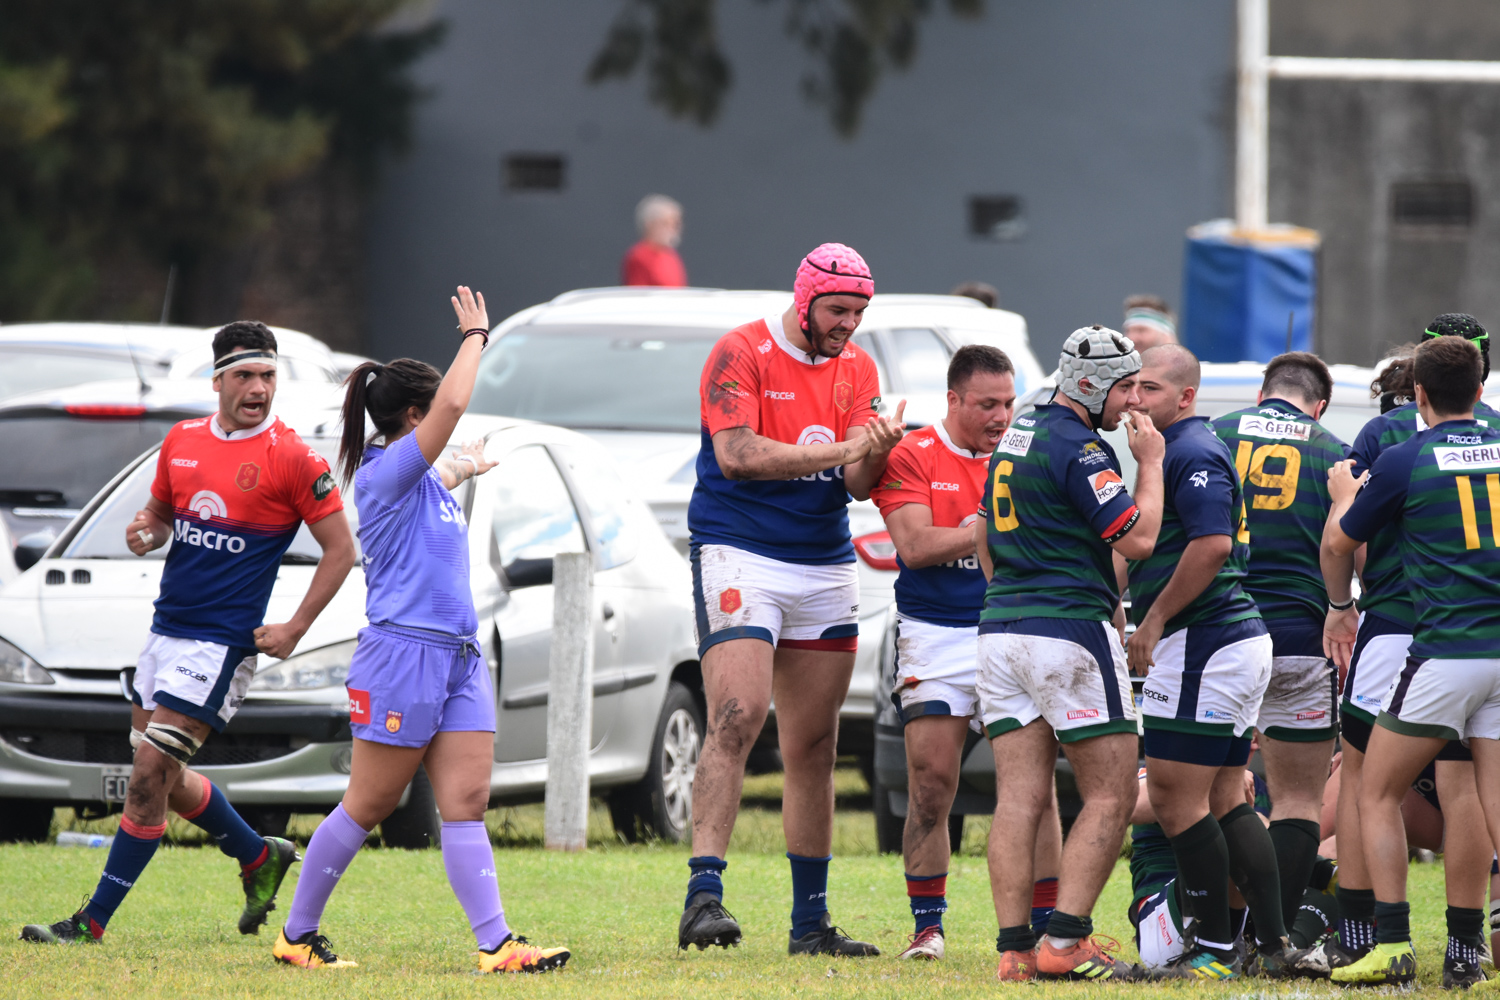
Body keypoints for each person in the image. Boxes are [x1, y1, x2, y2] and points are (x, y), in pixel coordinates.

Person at [21, 322, 357, 944]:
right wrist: (147, 529)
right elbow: (158, 512)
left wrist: (295, 626)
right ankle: (259, 855)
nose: (258, 388)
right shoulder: (180, 441)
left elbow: (341, 550)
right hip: (165, 632)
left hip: (222, 644)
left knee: (147, 777)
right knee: (166, 782)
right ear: (219, 381)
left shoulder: (293, 457)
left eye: (268, 376)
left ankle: (89, 924)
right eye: (245, 376)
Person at [268, 288, 569, 973]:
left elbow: (453, 455)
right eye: (429, 416)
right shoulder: (385, 472)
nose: (443, 425)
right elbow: (455, 407)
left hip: (458, 657)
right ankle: (296, 935)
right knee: (370, 802)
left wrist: (471, 460)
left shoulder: (424, 477)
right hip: (402, 656)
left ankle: (497, 947)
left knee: (466, 801)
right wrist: (476, 337)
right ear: (412, 416)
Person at [678, 244, 905, 957]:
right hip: (740, 549)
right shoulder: (739, 351)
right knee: (738, 715)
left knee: (816, 744)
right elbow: (738, 457)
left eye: (860, 313)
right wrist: (845, 449)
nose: (848, 325)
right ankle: (703, 897)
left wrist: (877, 449)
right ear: (804, 300)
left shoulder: (859, 367)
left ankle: (811, 924)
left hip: (823, 561)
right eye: (839, 310)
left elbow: (863, 485)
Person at [975, 325, 1165, 981]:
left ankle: (1013, 951)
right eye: (1127, 386)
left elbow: (983, 535)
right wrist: (1152, 464)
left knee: (1018, 799)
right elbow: (1135, 539)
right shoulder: (1082, 449)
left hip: (1000, 632)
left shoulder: (1018, 435)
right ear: (1092, 384)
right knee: (1111, 794)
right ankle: (1065, 941)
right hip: (1066, 633)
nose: (1133, 399)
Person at [1315, 316, 1499, 986]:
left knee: (1372, 785)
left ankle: (1381, 937)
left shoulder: (1396, 446)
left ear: (1416, 389)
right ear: (1481, 383)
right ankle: (1467, 946)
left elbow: (1341, 543)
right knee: (1477, 795)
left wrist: (1342, 505)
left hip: (1420, 636)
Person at [871, 344, 1063, 960]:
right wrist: (993, 529)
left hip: (1012, 627)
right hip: (934, 632)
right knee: (930, 783)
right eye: (987, 404)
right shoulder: (912, 453)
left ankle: (1042, 924)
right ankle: (928, 928)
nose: (1002, 416)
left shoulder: (1026, 450)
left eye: (1009, 402)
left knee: (1038, 788)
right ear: (953, 400)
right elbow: (916, 544)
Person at [1127, 343, 1292, 979]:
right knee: (1225, 795)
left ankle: (1216, 948)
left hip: (1206, 639)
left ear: (1185, 398)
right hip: (1226, 640)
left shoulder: (1191, 450)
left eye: (1150, 389)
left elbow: (1213, 543)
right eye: (1132, 387)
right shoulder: (1170, 450)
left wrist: (1157, 617)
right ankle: (1272, 946)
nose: (1136, 399)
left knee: (1172, 794)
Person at [1209, 352, 1347, 937]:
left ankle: (1214, 930)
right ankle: (1273, 936)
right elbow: (1350, 549)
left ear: (1263, 391)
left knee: (1204, 794)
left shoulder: (1214, 433)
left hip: (1216, 635)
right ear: (1319, 405)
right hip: (1298, 635)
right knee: (1296, 801)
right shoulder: (1335, 450)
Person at [621, 194, 687, 287]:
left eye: (675, 224)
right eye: (665, 223)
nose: (672, 229)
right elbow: (638, 294)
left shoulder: (672, 256)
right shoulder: (639, 256)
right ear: (650, 225)